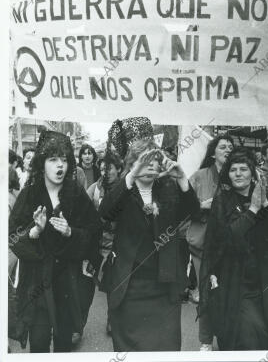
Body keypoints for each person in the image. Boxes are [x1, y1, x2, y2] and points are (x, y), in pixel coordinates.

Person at [98, 117, 198, 351]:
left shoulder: (169, 189)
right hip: (129, 286)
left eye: (156, 159)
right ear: (133, 163)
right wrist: (129, 177)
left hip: (163, 287)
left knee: (165, 348)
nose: (152, 164)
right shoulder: (123, 190)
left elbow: (193, 212)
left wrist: (183, 179)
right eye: (145, 160)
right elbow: (105, 213)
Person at [9, 131, 100, 352]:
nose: (60, 166)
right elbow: (14, 237)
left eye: (64, 159)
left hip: (67, 281)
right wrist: (35, 231)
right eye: (53, 159)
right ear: (42, 164)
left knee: (63, 343)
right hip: (37, 280)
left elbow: (94, 231)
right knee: (39, 342)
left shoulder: (76, 194)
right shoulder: (29, 195)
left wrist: (71, 232)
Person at [198, 147, 268, 350]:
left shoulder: (265, 196)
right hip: (237, 282)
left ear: (252, 173)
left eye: (243, 169)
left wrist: (266, 203)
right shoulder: (222, 201)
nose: (239, 173)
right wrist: (252, 210)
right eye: (234, 170)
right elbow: (224, 240)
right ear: (228, 174)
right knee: (247, 335)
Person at [187, 134, 234, 350]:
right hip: (202, 246)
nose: (227, 149)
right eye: (222, 146)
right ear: (213, 152)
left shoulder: (238, 175)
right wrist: (200, 207)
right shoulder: (199, 176)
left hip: (231, 245)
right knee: (207, 291)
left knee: (227, 292)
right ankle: (205, 341)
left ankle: (227, 339)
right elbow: (181, 210)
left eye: (230, 147)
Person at [87, 152, 123, 336]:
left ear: (118, 168)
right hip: (97, 242)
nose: (105, 172)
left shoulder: (125, 188)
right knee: (88, 283)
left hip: (117, 244)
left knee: (113, 283)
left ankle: (112, 319)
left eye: (109, 168)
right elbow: (84, 210)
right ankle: (78, 324)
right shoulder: (94, 188)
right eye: (101, 168)